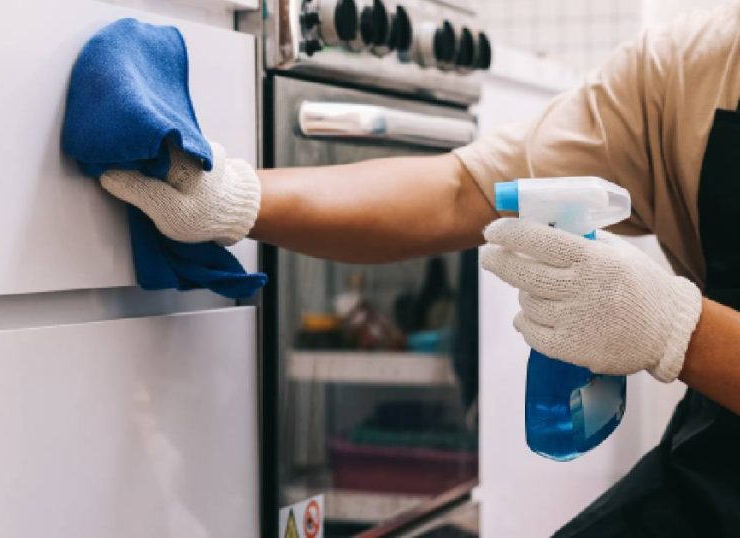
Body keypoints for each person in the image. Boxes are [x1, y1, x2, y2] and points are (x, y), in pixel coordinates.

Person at [97, 4, 740, 536]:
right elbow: (461, 193)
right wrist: (237, 200)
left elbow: (676, 331)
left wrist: (677, 332)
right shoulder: (692, 69)